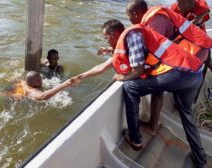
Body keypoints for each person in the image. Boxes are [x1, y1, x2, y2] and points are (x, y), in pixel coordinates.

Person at [71, 19, 207, 167]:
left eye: (106, 37)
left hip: (178, 74)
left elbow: (138, 71)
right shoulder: (134, 35)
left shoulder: (132, 36)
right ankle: (200, 160)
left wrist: (123, 77)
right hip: (194, 73)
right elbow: (139, 54)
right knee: (186, 115)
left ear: (115, 33)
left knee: (130, 87)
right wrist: (83, 74)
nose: (106, 40)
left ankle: (135, 139)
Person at [126, 0, 212, 134]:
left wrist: (131, 70)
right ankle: (156, 124)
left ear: (135, 13)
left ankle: (138, 135)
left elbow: (148, 51)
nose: (129, 20)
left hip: (190, 58)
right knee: (176, 99)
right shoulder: (161, 14)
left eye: (129, 16)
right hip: (192, 56)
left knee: (133, 86)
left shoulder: (155, 22)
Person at [4, 71, 72, 101]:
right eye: (37, 80)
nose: (40, 81)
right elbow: (43, 96)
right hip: (9, 98)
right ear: (29, 82)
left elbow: (15, 79)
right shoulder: (31, 90)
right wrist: (64, 85)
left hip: (9, 91)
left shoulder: (24, 82)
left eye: (40, 79)